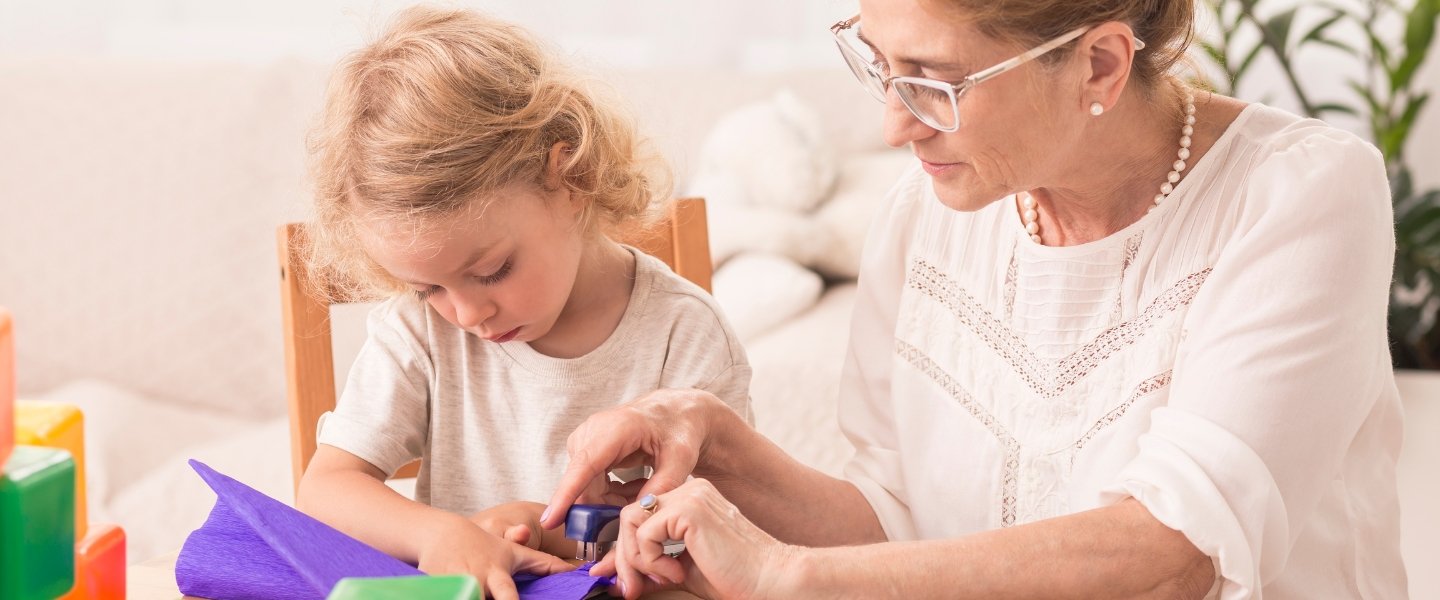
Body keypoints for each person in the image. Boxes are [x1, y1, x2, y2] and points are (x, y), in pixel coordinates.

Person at [540, 0, 1408, 598]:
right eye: (879, 65)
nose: (893, 124)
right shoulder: (920, 216)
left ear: (1099, 64)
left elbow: (1173, 560)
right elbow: (896, 523)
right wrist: (723, 448)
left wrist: (787, 578)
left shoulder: (1300, 195)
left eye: (935, 80)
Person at [293, 6, 753, 598]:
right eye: (428, 287)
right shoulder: (419, 333)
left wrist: (549, 531)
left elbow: (729, 551)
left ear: (573, 177)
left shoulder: (683, 333)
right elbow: (326, 489)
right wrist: (439, 536)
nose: (466, 314)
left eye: (491, 270)